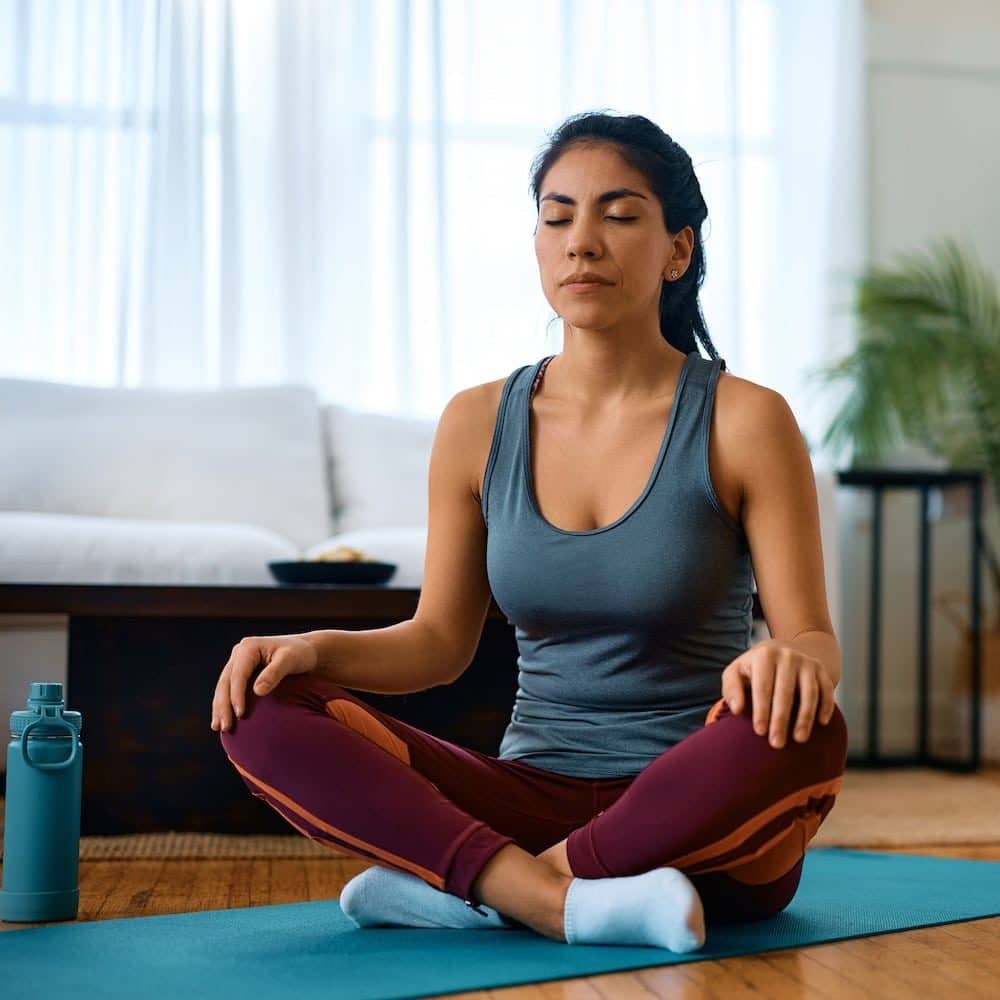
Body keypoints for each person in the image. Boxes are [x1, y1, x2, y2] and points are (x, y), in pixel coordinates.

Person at [210, 110, 848, 952]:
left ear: (677, 249)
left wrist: (789, 659)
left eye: (619, 216)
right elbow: (438, 642)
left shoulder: (746, 421)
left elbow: (813, 640)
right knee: (259, 707)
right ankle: (556, 898)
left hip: (700, 815)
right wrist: (312, 650)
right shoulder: (478, 421)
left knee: (809, 729)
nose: (582, 240)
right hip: (526, 790)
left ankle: (482, 888)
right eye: (558, 216)